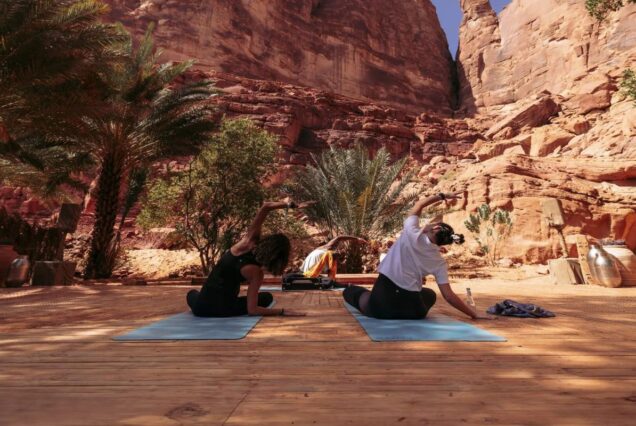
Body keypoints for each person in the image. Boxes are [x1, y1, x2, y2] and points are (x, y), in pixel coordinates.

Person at [343, 192, 490, 320]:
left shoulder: (411, 232)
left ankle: (363, 295)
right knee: (430, 294)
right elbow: (448, 296)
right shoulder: (439, 262)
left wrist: (442, 196)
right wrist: (473, 314)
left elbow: (419, 205)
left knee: (351, 292)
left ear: (436, 227)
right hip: (413, 311)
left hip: (381, 309)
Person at [187, 198, 310, 317]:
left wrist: (290, 205)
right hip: (224, 310)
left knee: (191, 294)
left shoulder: (246, 243)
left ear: (268, 241)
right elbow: (253, 310)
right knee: (266, 298)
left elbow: (265, 207)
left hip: (200, 308)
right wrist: (281, 311)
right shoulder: (257, 273)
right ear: (279, 258)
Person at [301, 235, 367, 280]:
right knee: (331, 256)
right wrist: (356, 238)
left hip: (308, 266)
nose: (340, 250)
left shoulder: (325, 249)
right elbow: (339, 237)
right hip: (313, 263)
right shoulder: (329, 247)